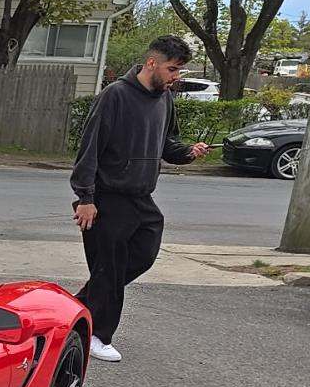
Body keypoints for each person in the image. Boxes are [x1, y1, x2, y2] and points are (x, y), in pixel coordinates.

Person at [69, 35, 211, 362]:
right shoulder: (114, 96)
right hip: (107, 198)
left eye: (180, 71)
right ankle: (97, 336)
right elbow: (88, 151)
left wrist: (188, 152)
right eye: (172, 69)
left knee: (141, 254)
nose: (176, 77)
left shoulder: (164, 99)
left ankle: (81, 304)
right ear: (151, 63)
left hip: (141, 196)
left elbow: (166, 144)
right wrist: (86, 198)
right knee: (110, 268)